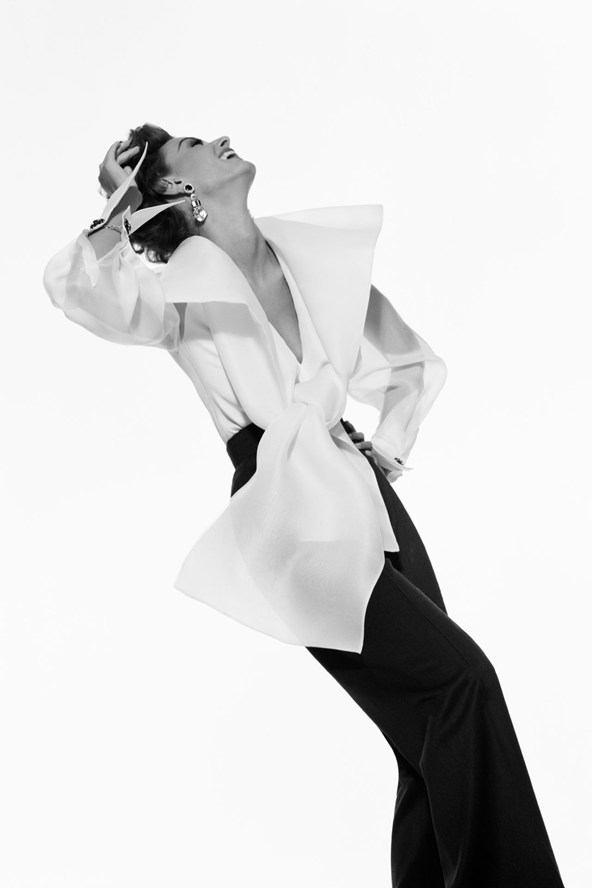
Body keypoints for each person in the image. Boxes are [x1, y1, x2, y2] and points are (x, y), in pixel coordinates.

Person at [43, 124, 567, 887]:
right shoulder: (177, 294)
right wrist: (119, 209)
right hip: (285, 505)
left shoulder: (313, 260)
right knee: (462, 685)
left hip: (359, 488)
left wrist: (386, 445)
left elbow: (412, 363)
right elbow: (75, 288)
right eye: (194, 143)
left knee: (426, 735)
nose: (221, 138)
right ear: (176, 188)